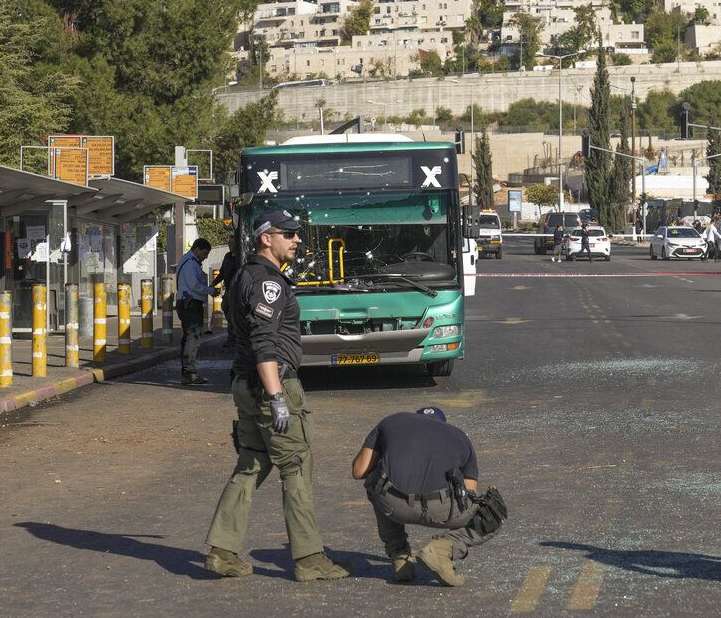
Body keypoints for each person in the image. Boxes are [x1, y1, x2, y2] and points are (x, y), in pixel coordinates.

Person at [204, 210, 349, 582]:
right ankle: (310, 559)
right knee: (296, 466)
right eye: (289, 234)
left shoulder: (242, 277)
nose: (297, 240)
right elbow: (262, 340)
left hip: (245, 384)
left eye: (298, 233)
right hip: (272, 384)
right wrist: (277, 396)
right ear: (266, 238)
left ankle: (222, 552)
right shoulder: (267, 283)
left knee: (251, 464)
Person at [351, 406, 507, 586]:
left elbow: (358, 471)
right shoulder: (460, 436)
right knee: (492, 514)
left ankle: (400, 556)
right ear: (443, 423)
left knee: (374, 479)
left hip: (393, 503)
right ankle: (445, 548)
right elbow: (469, 493)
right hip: (442, 510)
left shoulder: (391, 421)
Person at [175, 237, 216, 384]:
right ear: (197, 249)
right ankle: (190, 373)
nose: (205, 257)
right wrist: (209, 290)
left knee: (188, 337)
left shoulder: (187, 261)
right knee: (193, 338)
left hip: (187, 303)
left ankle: (187, 372)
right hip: (190, 304)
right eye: (204, 253)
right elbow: (193, 285)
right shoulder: (191, 264)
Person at [211, 234, 239, 347]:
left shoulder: (240, 257)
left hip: (237, 291)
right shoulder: (228, 256)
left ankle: (233, 338)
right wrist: (213, 283)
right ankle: (233, 336)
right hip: (228, 291)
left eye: (232, 243)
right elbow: (222, 273)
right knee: (226, 309)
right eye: (229, 243)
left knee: (234, 314)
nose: (229, 245)